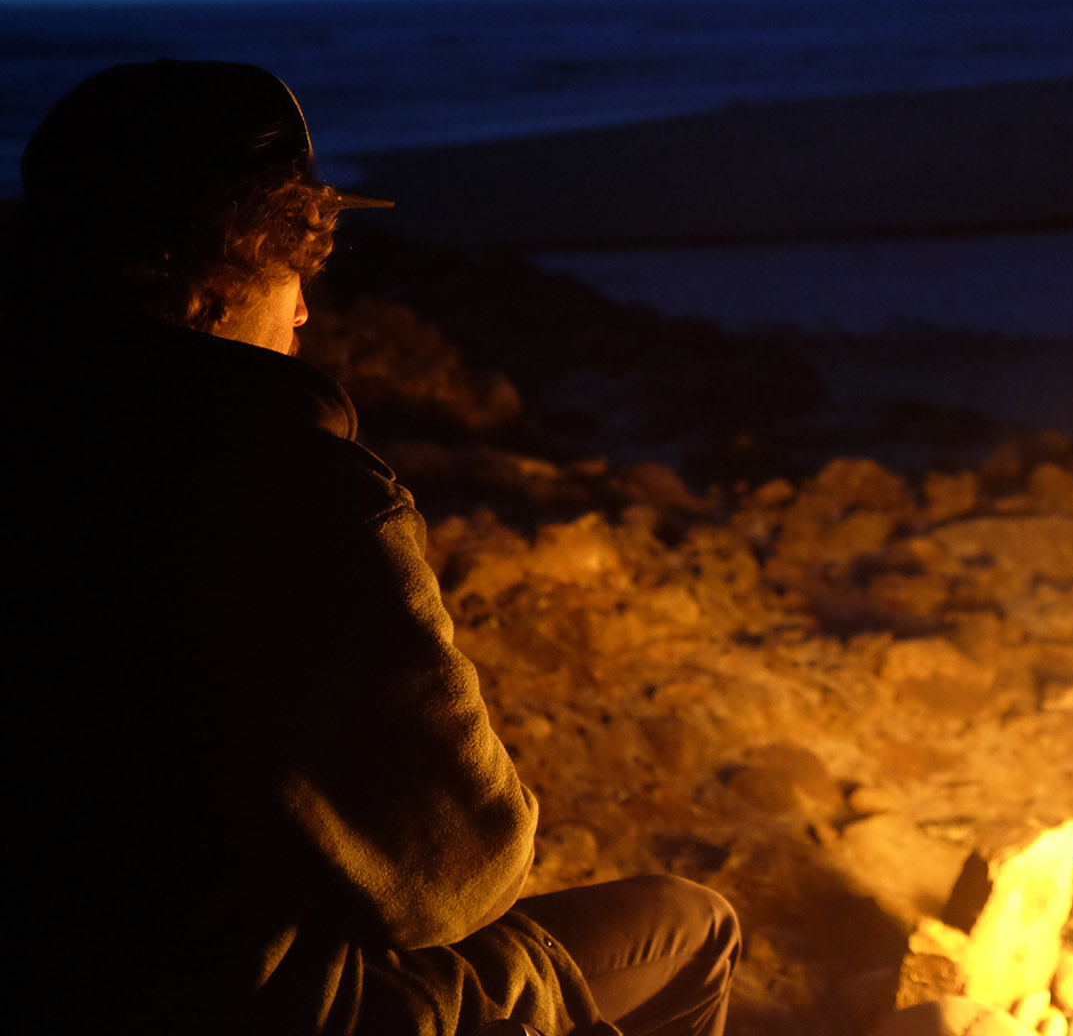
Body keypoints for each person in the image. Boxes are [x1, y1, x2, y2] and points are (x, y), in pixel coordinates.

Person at [0, 60, 738, 1036]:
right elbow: (456, 875)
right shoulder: (296, 495)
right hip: (268, 1010)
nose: (306, 311)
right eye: (295, 273)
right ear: (220, 278)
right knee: (691, 927)